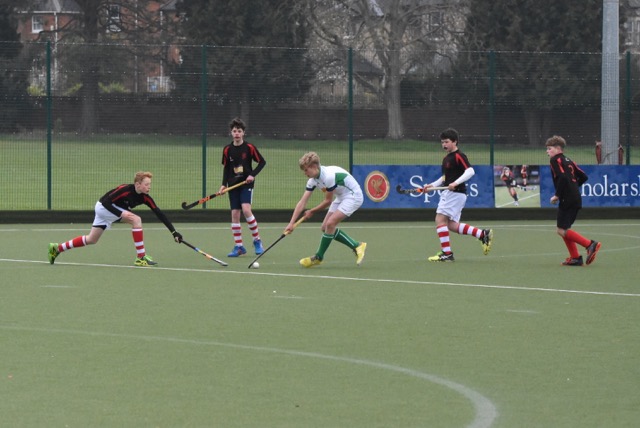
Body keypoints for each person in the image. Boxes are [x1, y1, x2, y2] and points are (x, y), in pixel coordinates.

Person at [47, 171, 183, 267]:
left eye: (150, 184)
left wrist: (174, 232)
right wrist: (120, 214)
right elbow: (106, 202)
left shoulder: (145, 198)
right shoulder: (125, 190)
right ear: (137, 184)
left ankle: (57, 249)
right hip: (103, 207)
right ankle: (141, 257)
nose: (149, 187)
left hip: (109, 211)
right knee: (136, 220)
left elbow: (159, 213)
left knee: (92, 239)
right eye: (146, 184)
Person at [284, 151, 367, 268]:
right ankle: (357, 245)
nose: (304, 173)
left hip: (353, 196)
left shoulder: (328, 177)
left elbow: (328, 201)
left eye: (306, 170)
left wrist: (312, 211)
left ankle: (318, 257)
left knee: (330, 223)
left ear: (314, 167)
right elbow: (302, 202)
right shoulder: (312, 181)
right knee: (325, 227)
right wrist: (291, 223)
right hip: (341, 196)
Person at [423, 128, 493, 262]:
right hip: (454, 194)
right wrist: (431, 186)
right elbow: (445, 178)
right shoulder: (446, 158)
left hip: (454, 193)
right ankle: (482, 234)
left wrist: (455, 183)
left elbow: (470, 171)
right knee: (451, 225)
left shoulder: (459, 156)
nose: (444, 145)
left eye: (446, 142)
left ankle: (447, 253)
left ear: (455, 142)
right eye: (442, 142)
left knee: (440, 220)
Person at [546, 135, 601, 266]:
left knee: (561, 230)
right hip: (574, 197)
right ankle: (575, 258)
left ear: (557, 148)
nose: (547, 151)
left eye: (549, 148)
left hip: (567, 198)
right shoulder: (569, 160)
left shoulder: (555, 160)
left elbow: (562, 178)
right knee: (564, 229)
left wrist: (557, 195)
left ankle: (590, 244)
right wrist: (574, 187)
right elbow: (584, 177)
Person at [219, 117, 266, 257]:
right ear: (231, 133)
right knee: (235, 214)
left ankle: (257, 240)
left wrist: (252, 175)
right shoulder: (227, 149)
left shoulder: (249, 148)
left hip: (246, 184)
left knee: (246, 210)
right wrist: (223, 185)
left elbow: (262, 162)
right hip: (233, 185)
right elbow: (226, 169)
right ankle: (239, 247)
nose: (237, 134)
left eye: (239, 131)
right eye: (234, 131)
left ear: (243, 133)